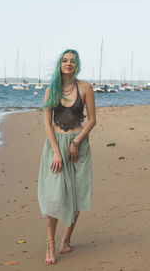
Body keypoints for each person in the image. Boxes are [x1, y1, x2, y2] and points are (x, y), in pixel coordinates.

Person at [38, 49, 96, 265]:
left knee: (77, 193)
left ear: (77, 65)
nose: (68, 63)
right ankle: (50, 244)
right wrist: (55, 151)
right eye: (65, 60)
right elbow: (46, 123)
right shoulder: (51, 90)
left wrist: (76, 141)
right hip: (55, 146)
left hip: (78, 145)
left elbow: (91, 120)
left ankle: (67, 238)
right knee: (54, 196)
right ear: (60, 64)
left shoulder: (86, 88)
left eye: (72, 61)